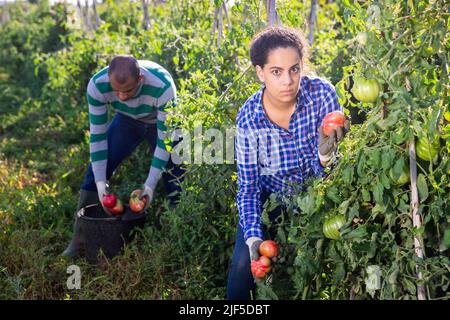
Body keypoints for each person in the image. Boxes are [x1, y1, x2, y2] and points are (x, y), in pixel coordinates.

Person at [227, 27, 350, 299]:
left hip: (318, 194)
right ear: (260, 72)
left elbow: (335, 171)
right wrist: (253, 237)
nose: (287, 81)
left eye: (294, 69)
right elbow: (248, 188)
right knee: (241, 268)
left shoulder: (321, 94)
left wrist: (326, 156)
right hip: (273, 197)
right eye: (276, 72)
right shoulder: (249, 120)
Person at [62, 55, 184, 257]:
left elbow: (165, 142)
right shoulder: (97, 86)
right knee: (95, 172)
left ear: (140, 80)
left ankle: (176, 240)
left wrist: (150, 185)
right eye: (116, 91)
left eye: (127, 90)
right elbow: (98, 136)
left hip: (160, 124)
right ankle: (80, 240)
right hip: (127, 120)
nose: (121, 97)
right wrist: (102, 183)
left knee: (175, 177)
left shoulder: (163, 87)